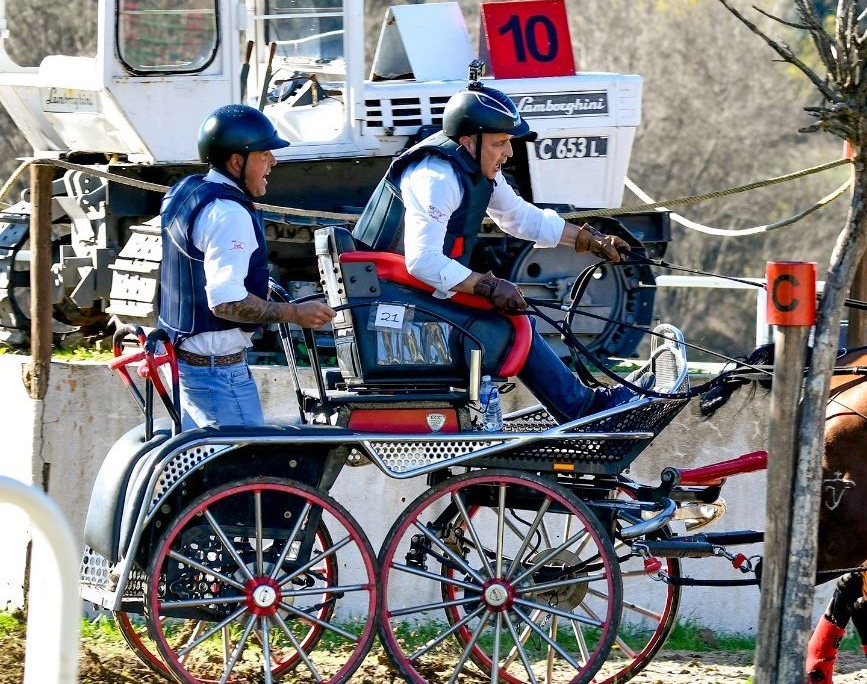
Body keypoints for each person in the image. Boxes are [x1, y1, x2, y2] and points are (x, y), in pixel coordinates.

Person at [352, 81, 636, 421]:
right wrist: (487, 286)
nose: (509, 153)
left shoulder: (474, 165)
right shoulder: (437, 178)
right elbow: (421, 260)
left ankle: (580, 407)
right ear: (469, 142)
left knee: (513, 319)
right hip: (389, 302)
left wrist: (591, 240)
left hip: (407, 291)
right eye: (500, 143)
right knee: (508, 326)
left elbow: (518, 217)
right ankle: (583, 411)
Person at [158, 104, 335, 430]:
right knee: (252, 474)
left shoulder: (186, 191)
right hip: (216, 377)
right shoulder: (229, 213)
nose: (274, 162)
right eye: (264, 154)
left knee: (207, 478)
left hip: (184, 366)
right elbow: (226, 302)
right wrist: (294, 314)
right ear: (236, 162)